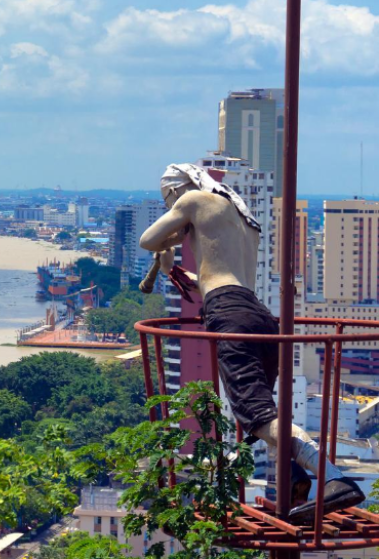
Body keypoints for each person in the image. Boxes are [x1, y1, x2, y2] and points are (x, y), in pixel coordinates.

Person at [139, 163, 363, 524]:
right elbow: (215, 278)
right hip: (258, 317)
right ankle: (295, 476)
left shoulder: (194, 200)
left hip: (230, 317)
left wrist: (169, 239)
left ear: (177, 189)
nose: (172, 207)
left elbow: (147, 240)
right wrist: (173, 267)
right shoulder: (239, 216)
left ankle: (333, 478)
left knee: (260, 417)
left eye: (169, 201)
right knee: (262, 412)